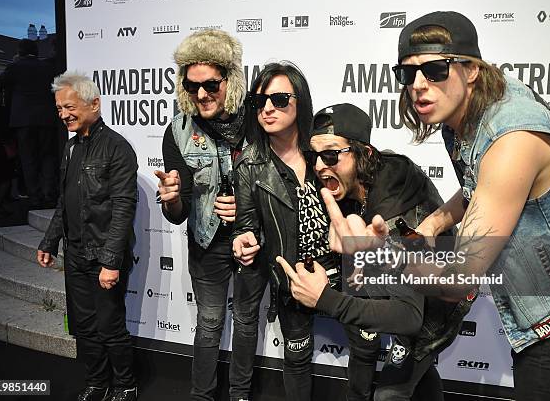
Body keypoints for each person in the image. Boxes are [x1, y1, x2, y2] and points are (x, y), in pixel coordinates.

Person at [287, 11, 550, 401]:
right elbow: (475, 188)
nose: (417, 86)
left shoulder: (512, 141)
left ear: (471, 70)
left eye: (434, 69)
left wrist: (379, 255)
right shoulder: (462, 113)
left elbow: (459, 279)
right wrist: (431, 225)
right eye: (407, 73)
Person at [277, 103, 473, 400]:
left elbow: (409, 316)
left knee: (391, 391)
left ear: (364, 153)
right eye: (313, 156)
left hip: (440, 303)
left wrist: (326, 299)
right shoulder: (349, 182)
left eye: (330, 154)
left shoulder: (395, 210)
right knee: (414, 372)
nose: (318, 166)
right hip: (407, 296)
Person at [154, 29, 258, 401]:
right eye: (192, 85)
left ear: (230, 80)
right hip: (206, 242)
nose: (201, 95)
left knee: (246, 323)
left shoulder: (259, 122)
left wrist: (246, 208)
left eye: (211, 85)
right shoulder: (178, 131)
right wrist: (170, 198)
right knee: (210, 322)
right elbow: (178, 214)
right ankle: (202, 395)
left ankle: (241, 394)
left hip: (253, 241)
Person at [231, 62, 342, 401]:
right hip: (286, 271)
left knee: (332, 350)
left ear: (300, 101)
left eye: (279, 99)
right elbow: (246, 222)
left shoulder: (323, 152)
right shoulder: (249, 162)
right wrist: (243, 238)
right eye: (260, 101)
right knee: (275, 344)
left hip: (331, 268)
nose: (267, 108)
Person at [37, 71, 138, 401]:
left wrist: (111, 262)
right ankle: (98, 383)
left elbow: (123, 209)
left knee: (109, 325)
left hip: (103, 256)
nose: (63, 114)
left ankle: (125, 385)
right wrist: (50, 241)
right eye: (59, 109)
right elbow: (64, 203)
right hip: (76, 254)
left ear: (94, 103)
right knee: (85, 326)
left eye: (69, 107)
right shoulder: (69, 148)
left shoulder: (118, 149)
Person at [0, 38, 59, 209]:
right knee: (48, 157)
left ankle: (35, 197)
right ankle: (49, 195)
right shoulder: (47, 68)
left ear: (20, 52)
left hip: (24, 121)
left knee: (28, 159)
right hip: (47, 119)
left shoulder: (15, 67)